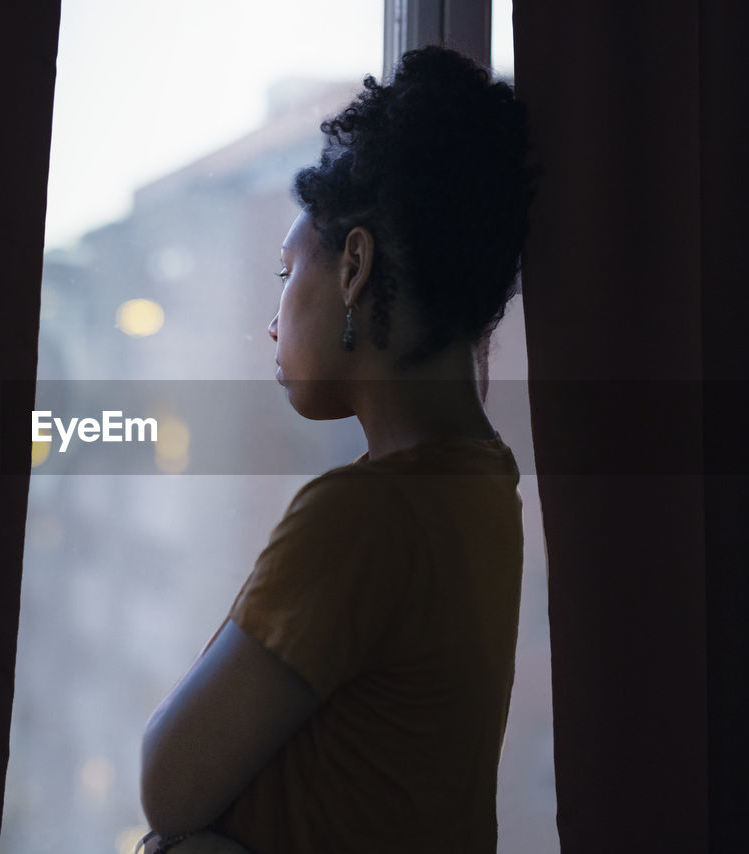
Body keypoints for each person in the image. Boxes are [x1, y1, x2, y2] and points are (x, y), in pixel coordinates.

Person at [138, 45, 536, 853]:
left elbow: (167, 782)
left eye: (288, 272)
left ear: (354, 266)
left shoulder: (362, 517)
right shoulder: (485, 484)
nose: (275, 319)